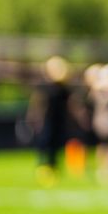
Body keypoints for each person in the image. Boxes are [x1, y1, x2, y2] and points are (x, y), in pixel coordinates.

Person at [26, 56, 74, 184]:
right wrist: (34, 119)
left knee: (56, 146)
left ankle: (54, 167)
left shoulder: (64, 89)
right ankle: (43, 166)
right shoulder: (44, 87)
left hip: (60, 122)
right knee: (45, 144)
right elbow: (37, 105)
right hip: (46, 122)